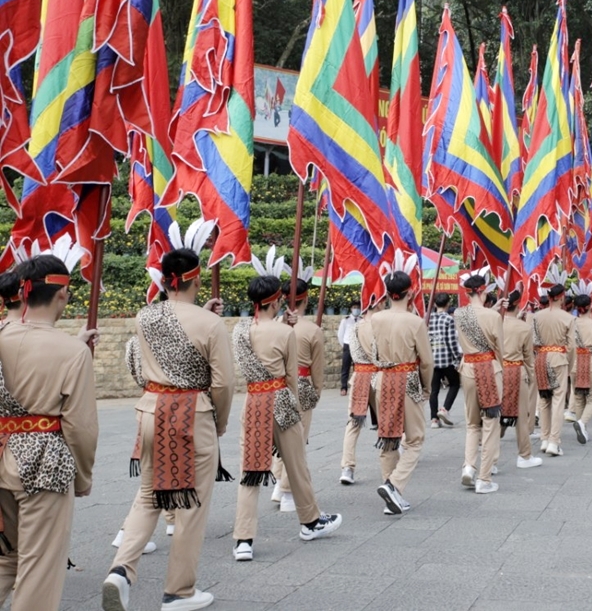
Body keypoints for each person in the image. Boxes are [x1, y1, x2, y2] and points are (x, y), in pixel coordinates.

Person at [103, 231, 235, 611]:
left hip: (151, 409)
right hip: (193, 413)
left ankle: (120, 570)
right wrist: (220, 422)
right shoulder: (210, 324)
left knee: (148, 495)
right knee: (190, 503)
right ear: (194, 279)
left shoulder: (146, 317)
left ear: (165, 280)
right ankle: (179, 590)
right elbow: (223, 383)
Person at [0, 255, 98, 611]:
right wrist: (83, 476)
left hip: (1, 455)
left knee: (6, 557)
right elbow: (80, 426)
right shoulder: (72, 353)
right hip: (43, 464)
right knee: (40, 563)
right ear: (62, 295)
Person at [231, 270, 342, 562]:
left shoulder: (240, 331)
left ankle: (243, 539)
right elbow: (292, 376)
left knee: (250, 472)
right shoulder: (285, 332)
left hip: (254, 401)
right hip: (280, 399)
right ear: (274, 302)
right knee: (296, 464)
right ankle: (309, 521)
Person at [370, 268, 434, 515]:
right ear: (410, 293)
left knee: (388, 437)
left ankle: (391, 494)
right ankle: (394, 485)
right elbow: (426, 362)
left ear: (388, 293)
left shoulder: (376, 319)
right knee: (415, 439)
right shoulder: (415, 322)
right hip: (408, 378)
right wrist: (427, 386)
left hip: (384, 378)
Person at [271, 272, 325, 512]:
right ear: (306, 299)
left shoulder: (270, 326)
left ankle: (278, 482)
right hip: (301, 385)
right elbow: (318, 370)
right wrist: (316, 392)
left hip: (274, 385)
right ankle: (285, 490)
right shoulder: (312, 330)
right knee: (297, 441)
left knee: (281, 435)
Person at [454, 275, 504, 494]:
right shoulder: (493, 316)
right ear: (483, 292)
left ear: (467, 292)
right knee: (490, 423)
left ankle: (468, 466)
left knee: (472, 423)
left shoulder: (458, 313)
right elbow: (500, 347)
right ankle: (484, 478)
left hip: (468, 368)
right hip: (489, 367)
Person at [499, 290, 541, 468]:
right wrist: (531, 377)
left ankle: (489, 460)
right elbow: (528, 358)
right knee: (521, 416)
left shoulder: (495, 323)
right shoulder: (524, 327)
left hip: (497, 370)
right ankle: (524, 455)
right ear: (518, 305)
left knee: (495, 416)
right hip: (517, 369)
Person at [532, 282, 574, 455]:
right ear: (562, 297)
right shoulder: (568, 318)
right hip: (558, 358)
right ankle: (553, 441)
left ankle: (544, 437)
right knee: (557, 400)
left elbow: (533, 341)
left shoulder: (536, 316)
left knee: (544, 399)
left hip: (541, 357)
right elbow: (571, 346)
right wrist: (569, 365)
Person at [339, 305, 378, 486]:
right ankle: (393, 461)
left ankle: (347, 467)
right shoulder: (381, 325)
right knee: (388, 421)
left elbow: (351, 351)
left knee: (353, 424)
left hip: (360, 376)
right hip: (378, 377)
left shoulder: (355, 327)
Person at [567, 288, 592, 441]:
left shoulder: (570, 324)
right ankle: (582, 422)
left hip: (574, 362)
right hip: (590, 362)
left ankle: (582, 426)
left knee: (578, 397)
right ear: (590, 306)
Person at [427, 293, 462, 429]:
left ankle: (434, 419)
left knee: (433, 390)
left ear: (435, 304)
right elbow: (452, 341)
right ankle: (444, 409)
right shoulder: (448, 319)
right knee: (455, 384)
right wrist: (457, 358)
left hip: (432, 359)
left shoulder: (427, 318)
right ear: (448, 304)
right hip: (446, 359)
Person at [337, 302, 361, 396]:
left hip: (358, 346)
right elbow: (340, 334)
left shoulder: (361, 320)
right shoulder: (345, 320)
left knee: (357, 368)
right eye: (354, 307)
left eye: (358, 307)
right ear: (351, 308)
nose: (356, 309)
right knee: (345, 368)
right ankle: (344, 388)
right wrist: (344, 346)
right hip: (348, 345)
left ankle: (356, 387)